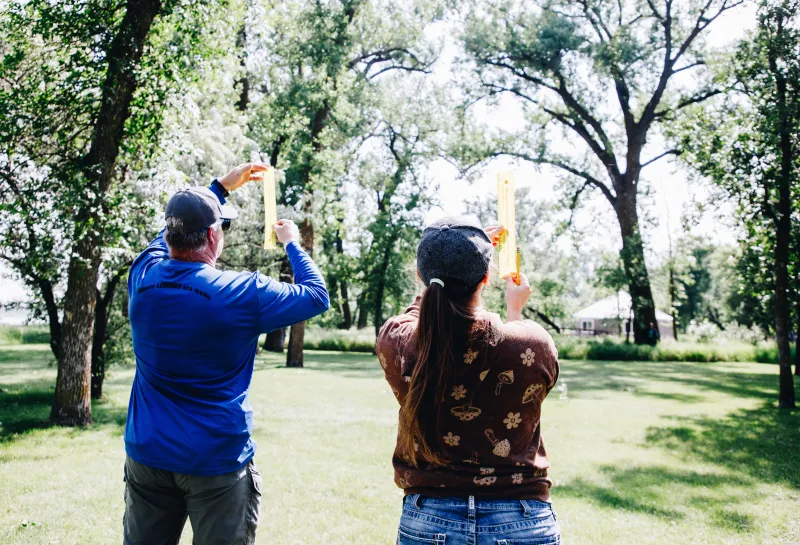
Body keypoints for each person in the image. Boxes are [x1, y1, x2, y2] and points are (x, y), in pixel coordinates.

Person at [123, 163, 330, 545]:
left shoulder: (143, 274)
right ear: (214, 236)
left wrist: (218, 188)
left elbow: (167, 231)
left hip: (147, 454)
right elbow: (316, 295)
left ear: (169, 236)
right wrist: (291, 242)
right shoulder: (242, 294)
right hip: (215, 459)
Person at [377, 217, 561, 545]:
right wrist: (514, 310)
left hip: (428, 518)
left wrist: (444, 265)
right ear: (486, 278)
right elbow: (521, 362)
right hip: (520, 518)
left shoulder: (396, 341)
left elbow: (418, 317)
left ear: (420, 277)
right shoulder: (533, 344)